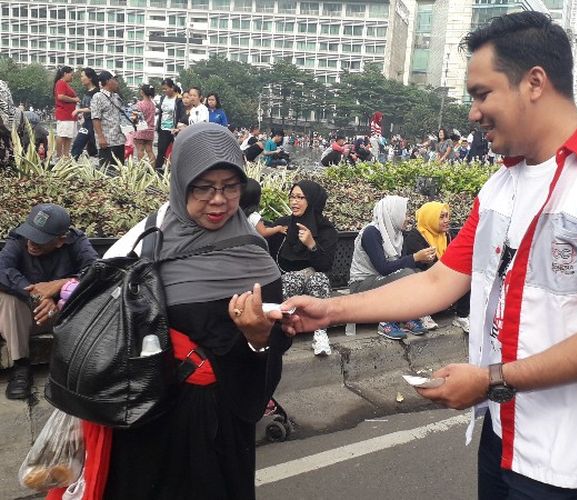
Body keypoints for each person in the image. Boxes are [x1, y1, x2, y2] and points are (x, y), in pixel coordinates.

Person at [280, 12, 577, 499]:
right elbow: (439, 281)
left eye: (481, 93)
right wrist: (331, 311)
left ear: (534, 83)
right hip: (504, 427)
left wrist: (490, 379)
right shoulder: (500, 187)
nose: (472, 113)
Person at [98, 122, 290, 499]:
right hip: (149, 414)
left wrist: (258, 339)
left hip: (221, 419)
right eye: (203, 187)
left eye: (230, 187)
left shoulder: (253, 252)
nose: (218, 200)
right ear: (181, 181)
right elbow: (107, 312)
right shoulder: (147, 240)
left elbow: (273, 341)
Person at [0, 204, 98, 400]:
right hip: (26, 316)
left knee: (91, 295)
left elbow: (96, 270)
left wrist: (60, 286)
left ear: (60, 241)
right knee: (6, 298)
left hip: (62, 314)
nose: (32, 243)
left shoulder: (76, 241)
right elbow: (2, 269)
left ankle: (77, 368)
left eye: (40, 239)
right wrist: (38, 294)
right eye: (30, 235)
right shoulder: (18, 238)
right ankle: (21, 367)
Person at [268, 181, 338, 356]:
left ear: (312, 201)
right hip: (287, 286)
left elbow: (325, 266)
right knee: (295, 278)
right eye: (292, 197)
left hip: (314, 290)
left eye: (300, 197)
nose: (294, 202)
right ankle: (277, 330)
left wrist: (311, 245)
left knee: (318, 278)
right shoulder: (283, 225)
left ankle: (320, 333)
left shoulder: (326, 230)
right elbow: (269, 258)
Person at [348, 196, 431, 340]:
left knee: (417, 274)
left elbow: (401, 265)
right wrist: (414, 258)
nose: (407, 218)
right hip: (362, 284)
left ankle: (407, 316)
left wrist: (423, 259)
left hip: (382, 281)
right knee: (406, 274)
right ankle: (386, 321)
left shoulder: (397, 234)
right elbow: (383, 268)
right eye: (404, 214)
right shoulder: (371, 233)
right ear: (393, 213)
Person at [403, 201, 471, 333]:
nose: (446, 220)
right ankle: (422, 313)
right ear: (430, 218)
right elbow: (425, 265)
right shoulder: (415, 237)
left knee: (466, 272)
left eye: (447, 216)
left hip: (444, 277)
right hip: (424, 278)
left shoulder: (448, 235)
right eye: (441, 217)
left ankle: (461, 316)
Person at [90, 70, 127, 167]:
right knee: (107, 170)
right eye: (115, 79)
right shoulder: (98, 97)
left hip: (119, 139)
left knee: (119, 169)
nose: (117, 82)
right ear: (107, 81)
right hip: (107, 141)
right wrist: (101, 137)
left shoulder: (116, 96)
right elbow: (95, 118)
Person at [154, 78, 186, 171]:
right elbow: (161, 112)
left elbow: (181, 114)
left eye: (166, 89)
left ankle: (176, 172)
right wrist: (158, 126)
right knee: (161, 151)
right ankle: (158, 172)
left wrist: (179, 127)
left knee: (176, 152)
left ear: (172, 87)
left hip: (174, 130)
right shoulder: (163, 98)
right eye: (163, 89)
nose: (164, 91)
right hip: (163, 128)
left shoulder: (179, 99)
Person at [71, 68, 99, 160]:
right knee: (79, 145)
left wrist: (79, 111)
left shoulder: (97, 93)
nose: (81, 78)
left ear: (90, 78)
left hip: (93, 122)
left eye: (83, 76)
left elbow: (95, 109)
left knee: (80, 143)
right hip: (86, 122)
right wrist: (81, 113)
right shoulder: (87, 92)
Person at [53, 66, 79, 158]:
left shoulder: (65, 84)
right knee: (62, 134)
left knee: (69, 136)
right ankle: (59, 154)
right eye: (71, 75)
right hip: (64, 113)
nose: (72, 77)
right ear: (65, 74)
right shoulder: (61, 83)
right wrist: (74, 99)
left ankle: (66, 155)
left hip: (70, 114)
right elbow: (60, 96)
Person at [131, 84, 157, 165]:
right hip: (150, 131)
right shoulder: (152, 104)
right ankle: (153, 169)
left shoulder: (139, 104)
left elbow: (134, 118)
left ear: (142, 92)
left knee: (140, 150)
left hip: (140, 130)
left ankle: (142, 169)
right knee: (150, 151)